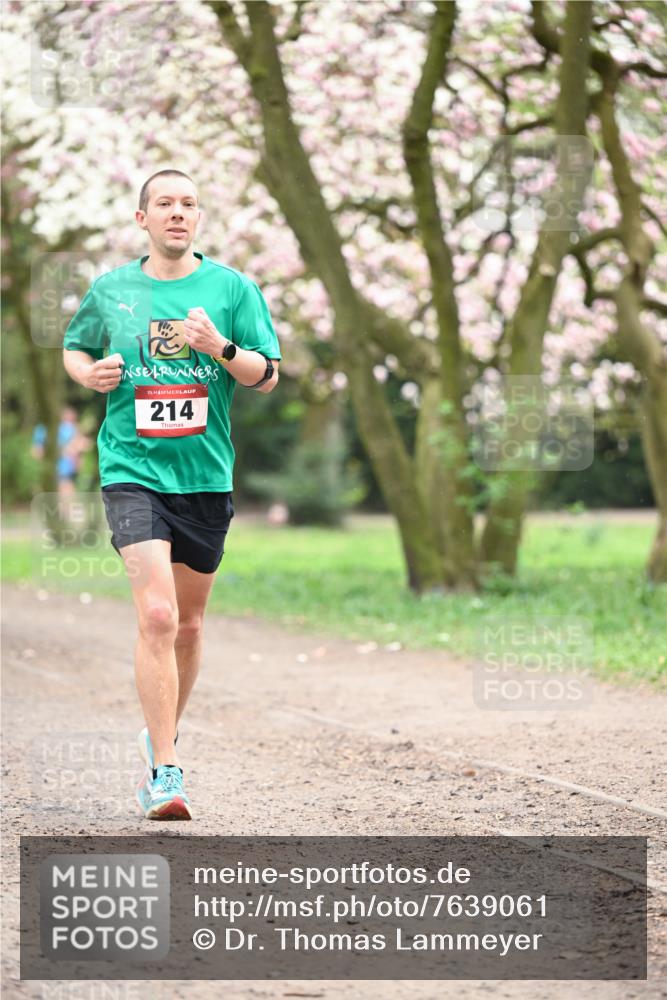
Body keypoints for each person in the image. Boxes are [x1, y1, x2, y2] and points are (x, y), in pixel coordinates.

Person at [62, 169, 281, 820]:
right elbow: (75, 349)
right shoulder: (113, 290)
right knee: (156, 617)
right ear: (143, 219)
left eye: (188, 204)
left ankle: (160, 732)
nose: (177, 214)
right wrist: (92, 373)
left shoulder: (231, 289)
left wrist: (220, 347)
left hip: (204, 479)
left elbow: (266, 375)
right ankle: (164, 771)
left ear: (198, 219)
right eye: (165, 204)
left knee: (187, 624)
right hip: (131, 471)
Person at [31, 406, 91, 520]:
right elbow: (36, 452)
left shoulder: (67, 428)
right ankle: (67, 517)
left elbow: (82, 444)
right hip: (53, 468)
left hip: (64, 467)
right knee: (59, 492)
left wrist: (76, 454)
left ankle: (70, 517)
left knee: (65, 490)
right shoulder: (42, 429)